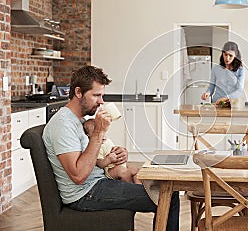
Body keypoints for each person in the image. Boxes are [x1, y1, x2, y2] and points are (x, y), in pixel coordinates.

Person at [42, 65, 179, 230]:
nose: (101, 102)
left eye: (102, 95)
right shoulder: (63, 124)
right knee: (168, 197)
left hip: (98, 183)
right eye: (96, 95)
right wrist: (99, 132)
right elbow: (78, 176)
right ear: (78, 93)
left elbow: (91, 156)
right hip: (85, 194)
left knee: (168, 190)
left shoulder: (79, 121)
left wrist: (117, 153)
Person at [83, 119, 141, 184]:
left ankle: (140, 186)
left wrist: (118, 151)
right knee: (123, 172)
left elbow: (111, 149)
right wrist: (109, 159)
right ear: (89, 136)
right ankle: (131, 186)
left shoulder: (107, 141)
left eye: (103, 132)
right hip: (110, 169)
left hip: (119, 164)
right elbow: (100, 164)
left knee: (135, 169)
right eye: (98, 134)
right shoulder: (96, 147)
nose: (103, 136)